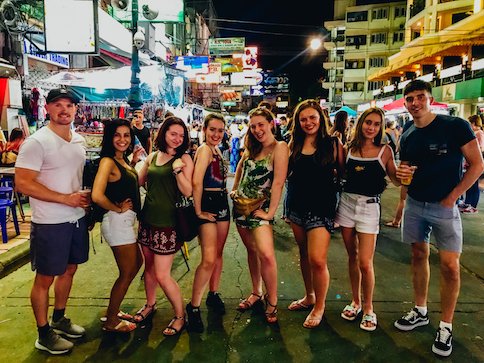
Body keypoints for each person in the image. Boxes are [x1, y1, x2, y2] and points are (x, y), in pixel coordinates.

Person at [394, 80, 484, 357]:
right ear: (405, 104)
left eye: (420, 97)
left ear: (430, 99)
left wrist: (453, 196)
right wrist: (403, 182)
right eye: (410, 99)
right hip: (415, 204)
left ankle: (446, 324)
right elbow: (406, 169)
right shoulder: (407, 133)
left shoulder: (455, 126)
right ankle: (420, 309)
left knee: (450, 266)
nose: (415, 103)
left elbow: (477, 164)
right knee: (418, 255)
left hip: (445, 207)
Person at [15, 88, 90, 354]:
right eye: (58, 104)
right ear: (47, 109)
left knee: (70, 269)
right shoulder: (37, 142)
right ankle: (43, 332)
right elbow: (22, 183)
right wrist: (64, 198)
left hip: (76, 219)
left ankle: (59, 318)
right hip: (49, 222)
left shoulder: (79, 140)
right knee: (44, 279)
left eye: (69, 105)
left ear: (75, 110)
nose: (64, 110)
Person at [335, 107, 400, 331]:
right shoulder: (349, 148)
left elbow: (397, 179)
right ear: (361, 123)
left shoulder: (385, 151)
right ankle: (356, 301)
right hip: (346, 204)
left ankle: (369, 307)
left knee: (365, 261)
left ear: (380, 127)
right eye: (368, 122)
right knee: (352, 257)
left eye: (376, 124)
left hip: (370, 207)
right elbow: (342, 174)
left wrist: (405, 175)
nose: (371, 127)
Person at [285, 99, 344, 328]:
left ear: (321, 118)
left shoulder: (334, 144)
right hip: (297, 206)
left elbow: (343, 173)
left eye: (312, 118)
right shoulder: (293, 145)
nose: (308, 122)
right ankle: (309, 296)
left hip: (322, 208)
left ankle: (320, 305)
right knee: (304, 254)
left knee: (318, 259)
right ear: (297, 123)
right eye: (303, 119)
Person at [134, 116, 194, 336]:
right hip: (147, 220)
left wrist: (178, 170)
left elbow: (189, 191)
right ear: (164, 133)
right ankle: (150, 304)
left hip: (168, 224)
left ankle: (180, 315)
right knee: (148, 268)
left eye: (181, 135)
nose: (177, 138)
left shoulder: (185, 158)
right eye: (173, 134)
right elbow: (138, 181)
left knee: (162, 274)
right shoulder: (152, 156)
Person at [231, 107, 288, 324]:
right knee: (251, 251)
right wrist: (235, 189)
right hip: (241, 207)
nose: (256, 130)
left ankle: (272, 300)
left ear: (271, 123)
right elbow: (240, 166)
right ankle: (256, 292)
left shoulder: (279, 147)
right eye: (253, 126)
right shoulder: (252, 147)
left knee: (266, 254)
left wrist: (270, 213)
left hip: (259, 210)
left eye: (260, 125)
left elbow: (278, 182)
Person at [91, 118, 143, 333]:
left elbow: (124, 182)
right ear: (110, 138)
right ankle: (111, 320)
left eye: (126, 135)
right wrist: (116, 207)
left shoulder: (122, 160)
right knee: (127, 271)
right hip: (116, 222)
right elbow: (96, 195)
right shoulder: (108, 162)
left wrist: (133, 162)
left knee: (136, 263)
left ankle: (114, 309)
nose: (122, 140)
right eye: (117, 135)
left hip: (125, 222)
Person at [186, 113, 230, 333]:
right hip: (208, 204)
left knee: (218, 254)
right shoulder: (204, 150)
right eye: (212, 129)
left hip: (222, 201)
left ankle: (213, 293)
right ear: (204, 130)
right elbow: (196, 181)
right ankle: (193, 306)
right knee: (209, 258)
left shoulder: (217, 150)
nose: (216, 134)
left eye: (220, 130)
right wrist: (198, 210)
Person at [461, 114, 484, 213]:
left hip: (474, 163)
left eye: (470, 122)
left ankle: (472, 205)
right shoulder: (475, 133)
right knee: (470, 184)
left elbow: (480, 148)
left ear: (474, 123)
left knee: (473, 184)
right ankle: (468, 203)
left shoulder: (479, 133)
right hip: (469, 162)